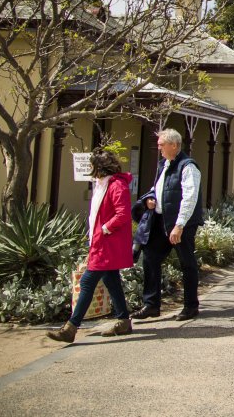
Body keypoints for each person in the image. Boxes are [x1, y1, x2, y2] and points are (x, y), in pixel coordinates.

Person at [47, 148, 134, 343]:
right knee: (112, 281)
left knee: (87, 282)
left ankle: (71, 327)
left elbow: (122, 214)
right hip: (101, 241)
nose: (90, 168)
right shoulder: (103, 184)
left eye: (93, 164)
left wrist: (104, 229)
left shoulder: (116, 185)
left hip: (106, 243)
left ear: (100, 167)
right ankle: (123, 321)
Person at [132, 128, 203, 321]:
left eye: (162, 145)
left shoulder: (188, 166)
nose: (159, 148)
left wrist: (179, 225)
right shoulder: (163, 165)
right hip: (161, 221)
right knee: (150, 258)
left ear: (174, 145)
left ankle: (190, 306)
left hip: (181, 224)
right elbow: (157, 188)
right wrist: (149, 199)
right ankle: (151, 304)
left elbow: (190, 197)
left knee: (187, 264)